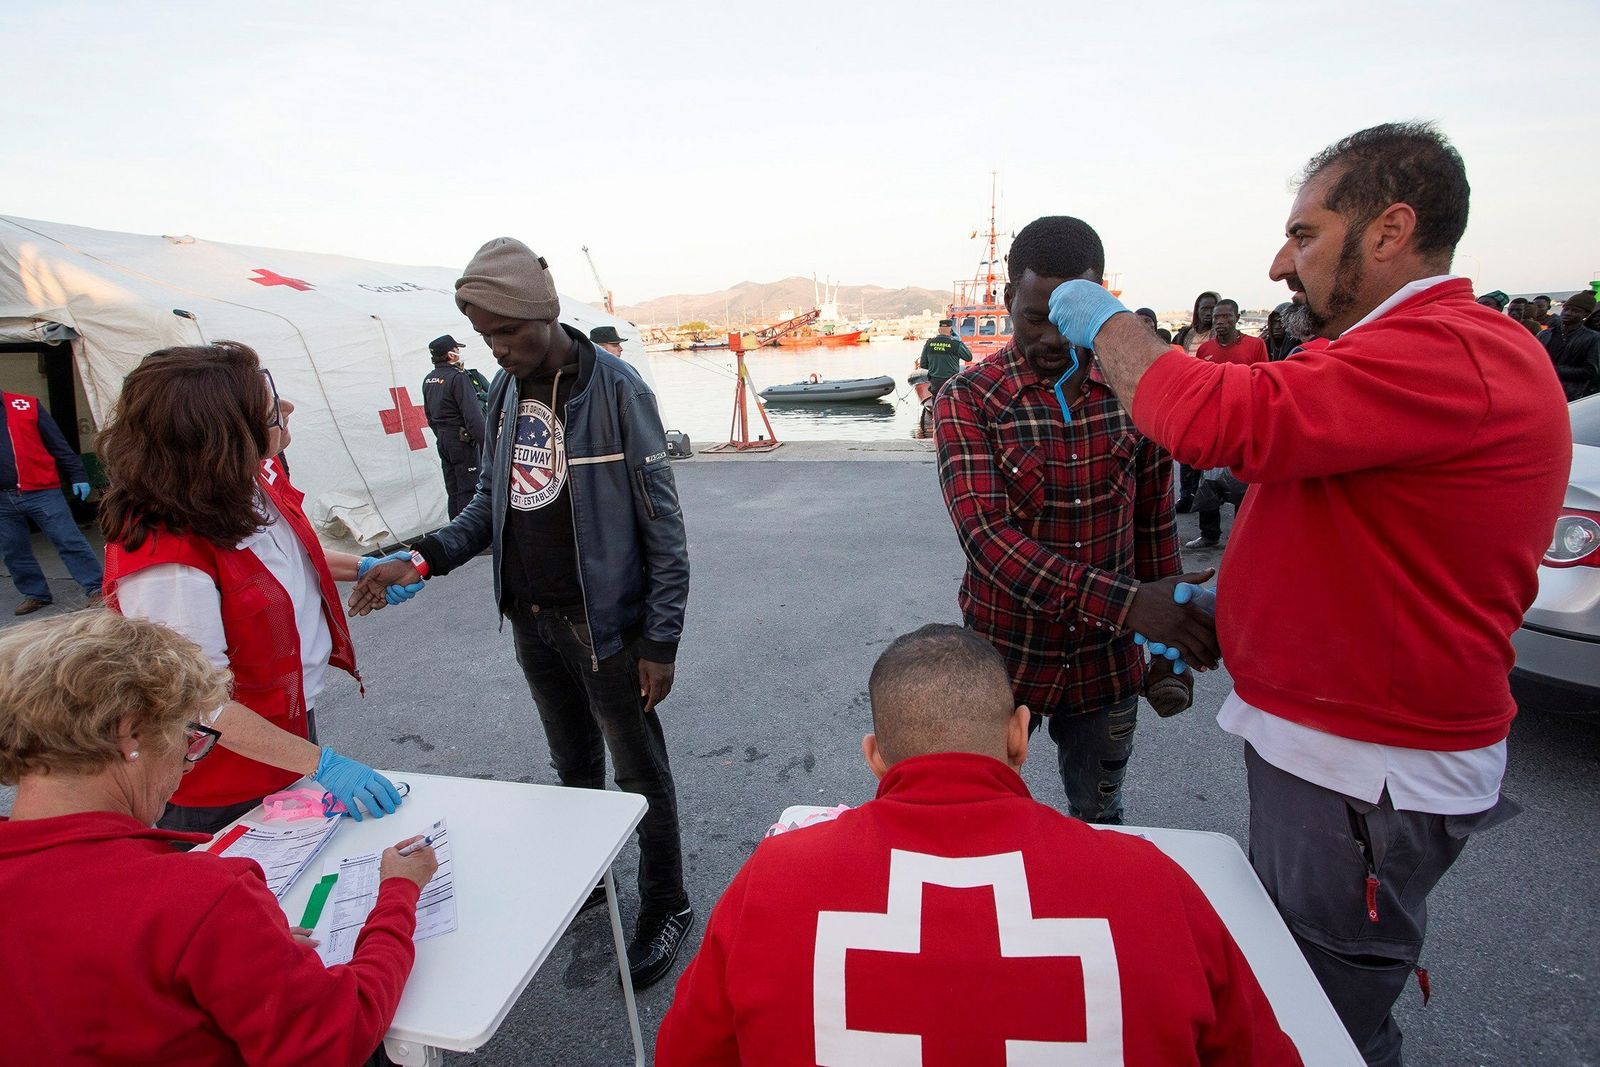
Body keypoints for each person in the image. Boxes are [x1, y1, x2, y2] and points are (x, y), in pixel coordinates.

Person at [1045, 121, 1570, 1065]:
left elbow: (1214, 421)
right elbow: (1352, 526)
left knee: (1313, 1021)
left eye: (1305, 233)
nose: (1281, 262)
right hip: (1334, 757)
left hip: (1363, 773)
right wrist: (1235, 614)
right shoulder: (1388, 351)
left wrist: (1105, 321)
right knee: (1300, 984)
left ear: (1388, 229)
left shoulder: (1449, 349)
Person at [656, 624, 1301, 1066]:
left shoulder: (773, 885)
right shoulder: (1152, 885)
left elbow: (685, 1054)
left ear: (876, 758)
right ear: (1020, 737)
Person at [350, 237, 694, 989]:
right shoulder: (503, 392)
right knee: (572, 762)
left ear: (546, 314)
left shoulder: (618, 389)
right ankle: (588, 875)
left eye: (510, 331)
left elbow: (663, 525)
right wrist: (425, 554)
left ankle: (667, 901)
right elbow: (488, 505)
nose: (500, 348)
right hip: (533, 620)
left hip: (604, 626)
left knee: (642, 773)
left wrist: (659, 636)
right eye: (487, 336)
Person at [0, 608, 439, 1066]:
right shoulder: (197, 897)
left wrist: (241, 952)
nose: (189, 762)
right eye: (187, 733)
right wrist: (398, 894)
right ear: (129, 734)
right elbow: (339, 1036)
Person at [933, 215, 1212, 825]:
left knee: (1099, 816)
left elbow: (1152, 527)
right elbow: (988, 540)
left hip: (1105, 666)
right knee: (981, 818)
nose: (1056, 338)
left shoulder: (1135, 392)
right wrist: (1130, 606)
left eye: (1071, 317)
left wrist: (1166, 644)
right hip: (1005, 656)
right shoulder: (968, 398)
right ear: (1010, 302)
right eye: (1037, 319)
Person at [97, 342, 406, 835]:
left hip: (279, 727)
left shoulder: (246, 478)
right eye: (267, 411)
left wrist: (365, 565)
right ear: (222, 438)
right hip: (218, 771)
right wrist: (322, 764)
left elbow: (277, 560)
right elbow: (199, 700)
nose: (286, 411)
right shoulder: (165, 558)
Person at [0, 390, 103, 615]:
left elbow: (58, 444)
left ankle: (96, 588)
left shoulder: (25, 405)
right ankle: (35, 594)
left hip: (41, 491)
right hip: (2, 499)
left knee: (68, 540)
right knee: (13, 550)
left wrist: (78, 475)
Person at [423, 334, 490, 520]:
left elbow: (429, 415)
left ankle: (454, 536)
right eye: (457, 350)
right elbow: (473, 417)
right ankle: (471, 539)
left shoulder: (429, 379)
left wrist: (443, 436)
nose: (459, 353)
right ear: (450, 355)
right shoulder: (458, 378)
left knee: (453, 489)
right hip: (462, 441)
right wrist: (488, 446)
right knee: (470, 489)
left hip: (444, 440)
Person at [1540, 289, 1600, 400]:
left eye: (1575, 311)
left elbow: (1590, 371)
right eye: (1566, 309)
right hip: (1544, 390)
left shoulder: (1593, 338)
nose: (1568, 313)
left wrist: (1552, 370)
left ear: (1585, 314)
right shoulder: (1545, 334)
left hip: (1573, 396)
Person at [1196, 299, 1269, 366]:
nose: (1220, 321)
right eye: (1216, 317)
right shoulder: (1203, 349)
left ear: (1237, 318)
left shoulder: (1256, 345)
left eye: (1226, 316)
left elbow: (1262, 377)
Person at [917, 318, 975, 396]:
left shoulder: (929, 343)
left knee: (936, 403)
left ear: (939, 330)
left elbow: (923, 364)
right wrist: (960, 341)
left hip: (935, 383)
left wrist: (936, 368)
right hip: (950, 383)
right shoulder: (955, 344)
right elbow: (968, 357)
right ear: (951, 331)